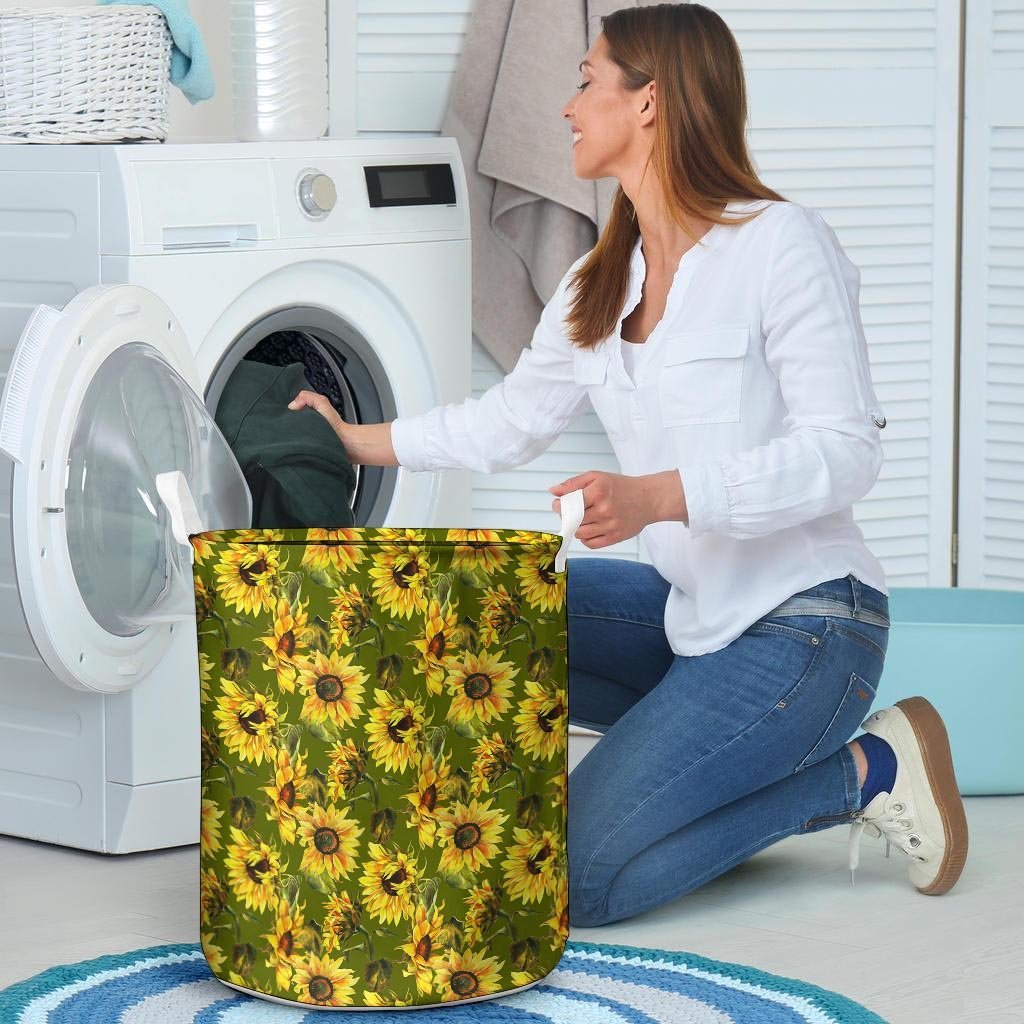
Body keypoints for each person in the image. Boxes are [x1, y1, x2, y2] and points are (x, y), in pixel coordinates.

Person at [287, 3, 968, 928]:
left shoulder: (778, 244)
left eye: (585, 81)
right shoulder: (597, 281)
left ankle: (864, 772)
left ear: (648, 102)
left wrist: (661, 498)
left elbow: (846, 454)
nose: (567, 107)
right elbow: (508, 423)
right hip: (694, 620)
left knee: (574, 882)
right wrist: (359, 437)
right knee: (479, 614)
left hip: (809, 627)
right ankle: (631, 777)